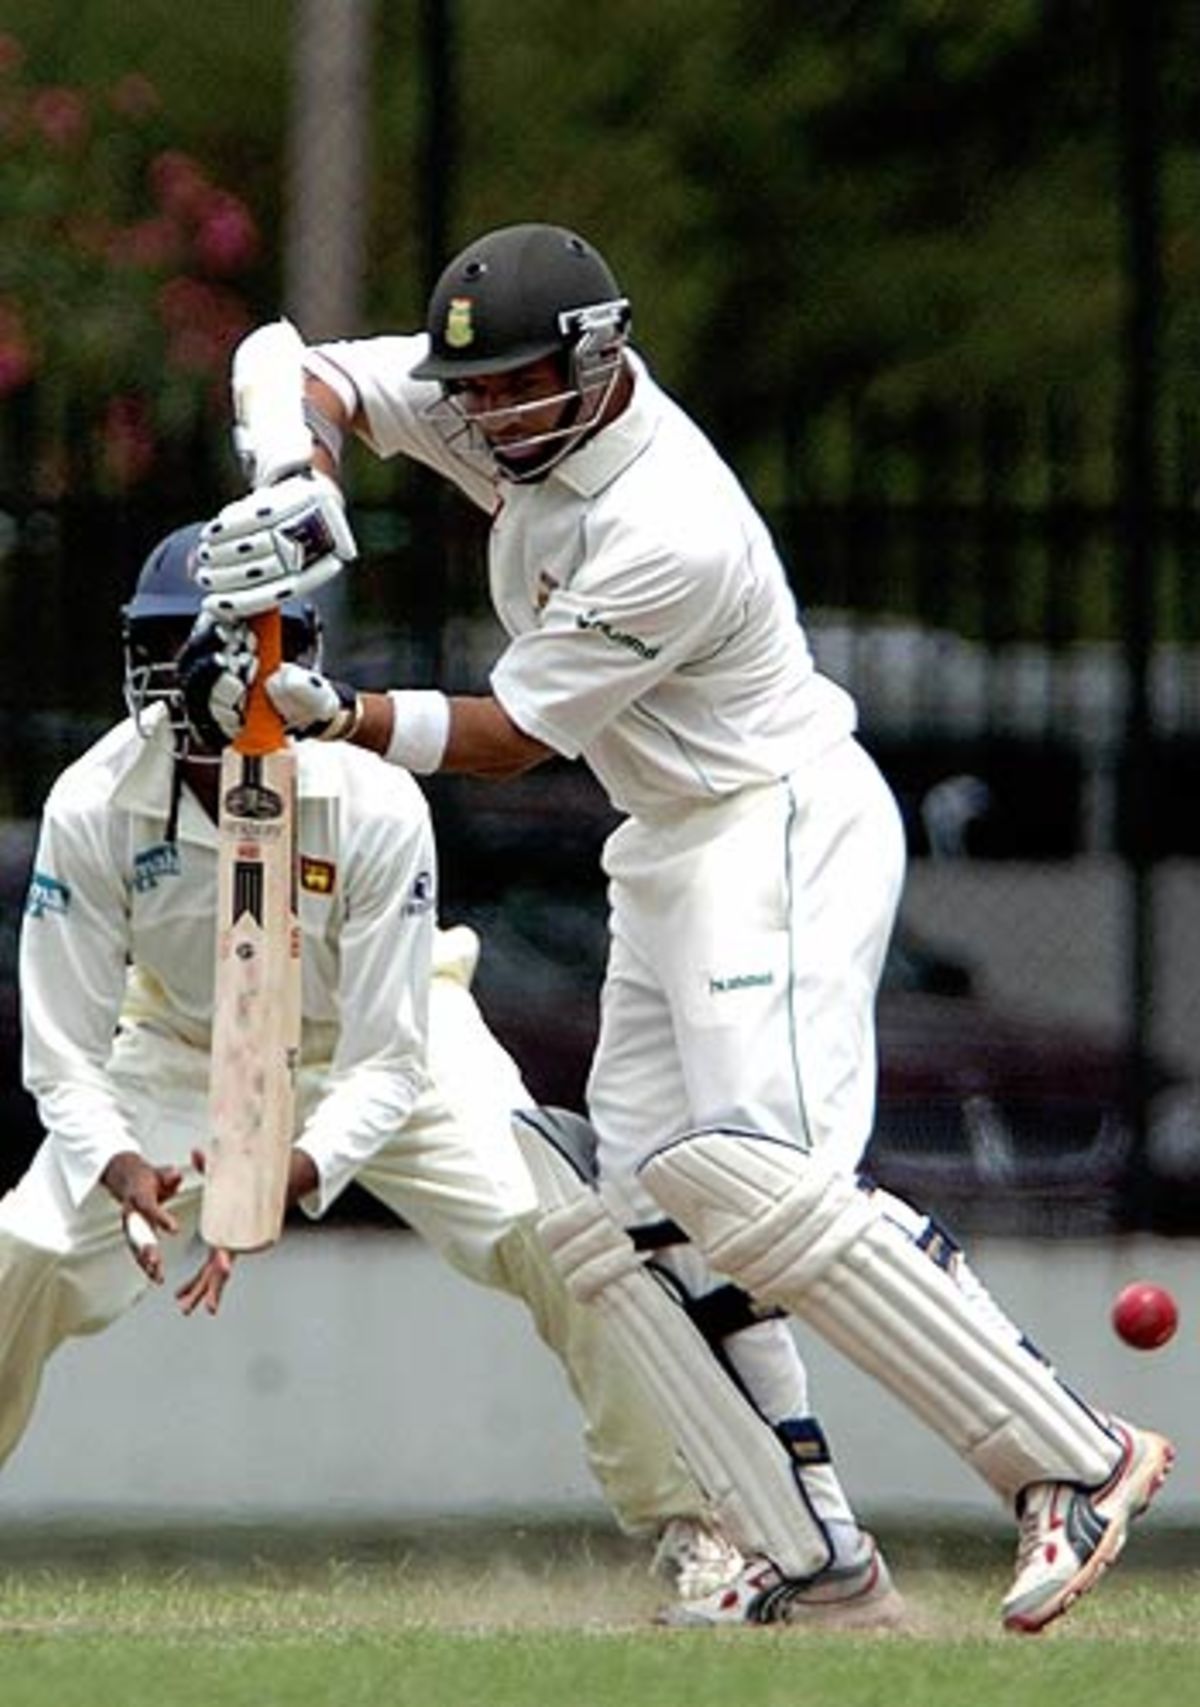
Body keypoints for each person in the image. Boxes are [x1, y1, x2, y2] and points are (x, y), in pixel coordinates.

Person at [189, 222, 1173, 1633]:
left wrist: (330, 713)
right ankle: (812, 1554)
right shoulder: (504, 406)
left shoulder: (669, 524)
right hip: (664, 842)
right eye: (473, 393)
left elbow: (517, 735)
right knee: (620, 1216)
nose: (487, 418)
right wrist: (298, 481)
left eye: (520, 388)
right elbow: (289, 361)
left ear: (596, 365)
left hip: (774, 826)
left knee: (750, 1185)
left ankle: (1073, 1458)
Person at [0, 520, 744, 1608]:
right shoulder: (97, 801)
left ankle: (704, 1529)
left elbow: (390, 1059)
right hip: (179, 1051)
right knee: (26, 1249)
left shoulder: (373, 799)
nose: (176, 689)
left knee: (564, 1238)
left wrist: (276, 1177)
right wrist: (120, 1163)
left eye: (193, 654)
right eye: (162, 654)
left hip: (394, 1041)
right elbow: (62, 1048)